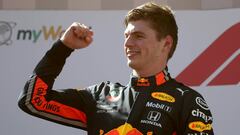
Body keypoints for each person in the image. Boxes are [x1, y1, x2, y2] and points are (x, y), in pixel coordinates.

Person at [18, 2, 214, 135]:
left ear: (166, 43)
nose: (128, 43)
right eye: (126, 36)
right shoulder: (100, 95)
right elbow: (33, 101)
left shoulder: (187, 101)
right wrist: (63, 48)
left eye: (138, 36)